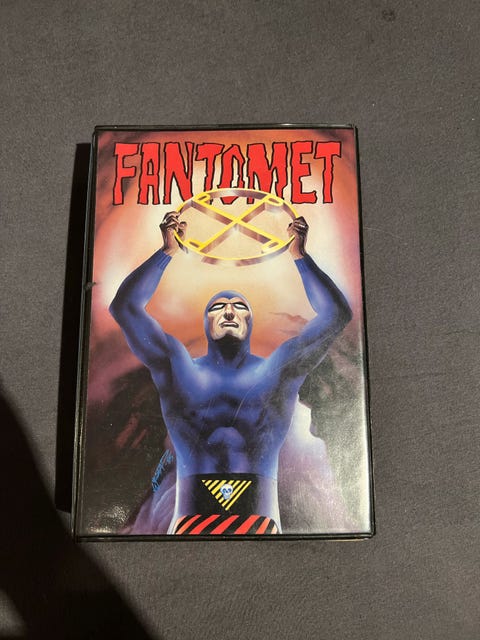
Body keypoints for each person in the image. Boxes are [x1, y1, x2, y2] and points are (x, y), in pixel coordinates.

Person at [110, 211, 351, 535]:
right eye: (217, 306)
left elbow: (336, 314)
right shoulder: (178, 367)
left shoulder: (277, 370)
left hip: (260, 524)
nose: (228, 310)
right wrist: (166, 251)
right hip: (190, 525)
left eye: (240, 307)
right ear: (206, 323)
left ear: (250, 322)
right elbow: (124, 308)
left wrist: (300, 255)